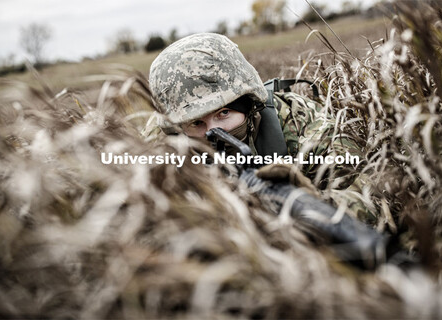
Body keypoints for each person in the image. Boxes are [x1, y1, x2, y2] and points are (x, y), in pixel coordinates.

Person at [148, 33, 376, 224]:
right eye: (196, 122)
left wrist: (312, 204)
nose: (213, 131)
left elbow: (368, 191)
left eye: (224, 113)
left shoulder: (302, 123)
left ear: (249, 103)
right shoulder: (161, 149)